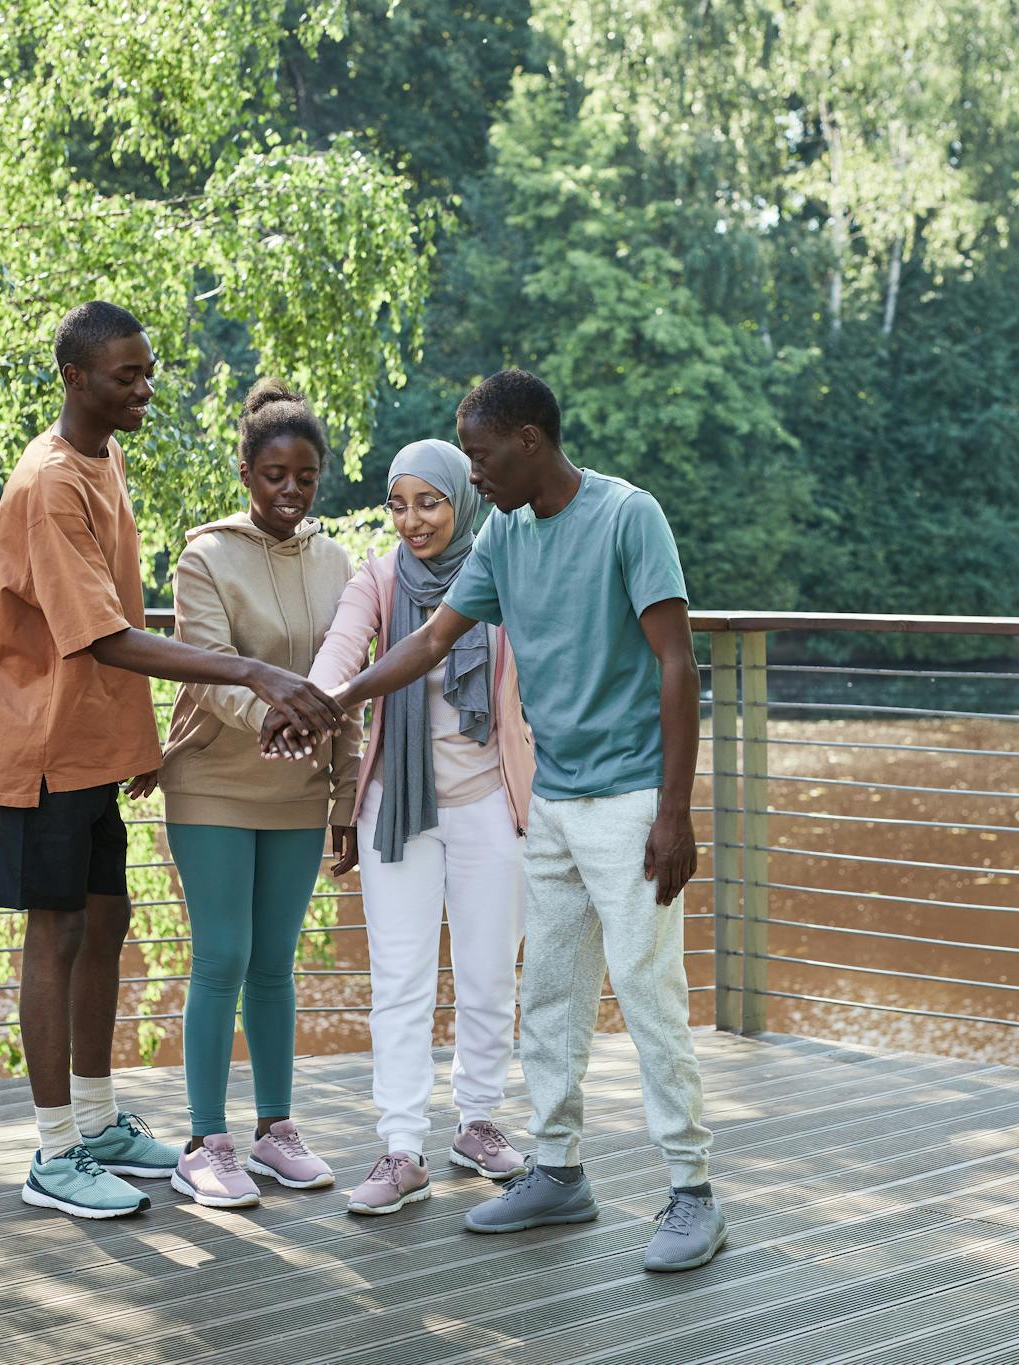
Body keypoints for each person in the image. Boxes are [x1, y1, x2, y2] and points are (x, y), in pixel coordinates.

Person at [263, 369, 723, 1271]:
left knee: (647, 993)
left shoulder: (631, 517)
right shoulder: (508, 535)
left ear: (528, 441)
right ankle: (557, 1170)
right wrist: (339, 698)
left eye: (478, 458)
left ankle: (691, 1190)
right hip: (551, 801)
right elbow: (433, 639)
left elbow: (677, 664)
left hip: (630, 799)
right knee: (547, 994)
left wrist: (676, 811)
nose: (474, 479)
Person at [0, 303, 344, 1221]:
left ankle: (95, 1121)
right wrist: (250, 668)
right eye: (127, 376)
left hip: (90, 748)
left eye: (147, 370)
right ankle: (54, 1152)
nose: (145, 388)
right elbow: (105, 635)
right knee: (52, 937)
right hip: (38, 748)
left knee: (106, 918)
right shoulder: (51, 483)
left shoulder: (104, 456)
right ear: (74, 379)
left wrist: (136, 744)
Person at [304, 439, 535, 1217]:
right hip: (396, 811)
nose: (412, 521)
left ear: (462, 501)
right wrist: (314, 698)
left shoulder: (500, 572)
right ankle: (402, 1147)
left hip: (487, 804)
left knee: (488, 974)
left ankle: (477, 1122)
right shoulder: (376, 578)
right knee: (398, 984)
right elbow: (340, 652)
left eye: (429, 502)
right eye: (399, 504)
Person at [156, 378, 362, 1210]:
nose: (290, 491)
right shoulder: (204, 557)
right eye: (275, 475)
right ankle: (206, 1143)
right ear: (246, 472)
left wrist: (344, 793)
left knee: (275, 964)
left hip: (298, 788)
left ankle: (276, 1132)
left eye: (306, 477)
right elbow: (209, 672)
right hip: (213, 780)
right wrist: (277, 721)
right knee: (223, 955)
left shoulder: (340, 560)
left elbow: (347, 679)